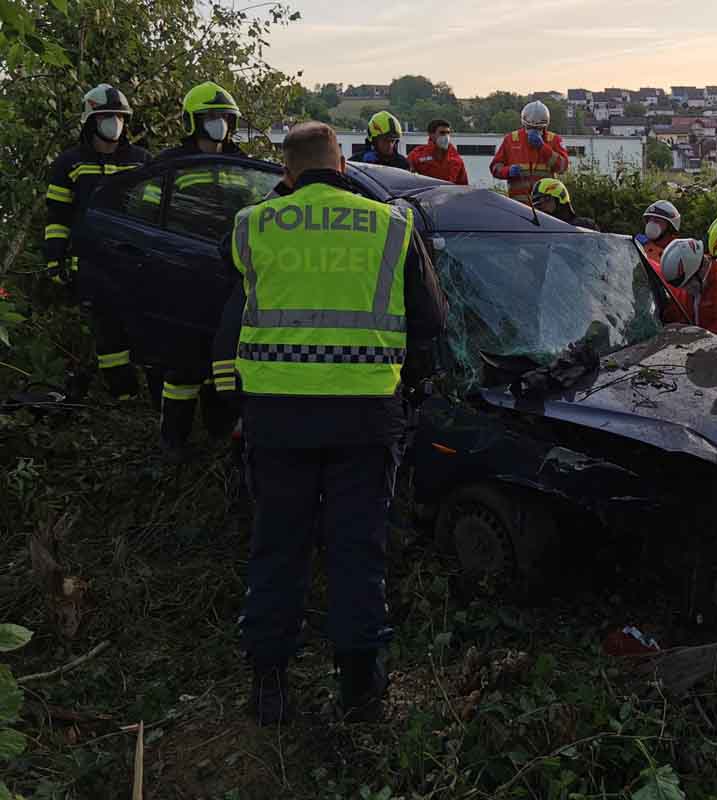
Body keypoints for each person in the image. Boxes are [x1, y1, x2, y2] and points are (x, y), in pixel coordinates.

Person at [213, 121, 447, 726]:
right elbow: (431, 322)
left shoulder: (253, 224)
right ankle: (361, 691)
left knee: (276, 547)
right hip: (365, 418)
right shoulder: (391, 225)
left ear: (286, 174)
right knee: (357, 550)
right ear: (343, 166)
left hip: (276, 418)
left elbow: (230, 274)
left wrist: (284, 200)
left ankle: (269, 687)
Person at [151, 81, 254, 461]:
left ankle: (219, 436)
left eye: (224, 118)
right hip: (183, 269)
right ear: (193, 121)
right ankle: (173, 441)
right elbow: (150, 211)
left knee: (223, 361)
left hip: (228, 271)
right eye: (212, 118)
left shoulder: (241, 161)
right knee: (182, 365)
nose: (219, 125)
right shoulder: (170, 163)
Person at [44, 84, 150, 400]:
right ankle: (123, 395)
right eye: (107, 116)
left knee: (145, 325)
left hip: (136, 262)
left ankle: (152, 392)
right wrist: (54, 259)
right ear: (91, 120)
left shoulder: (142, 161)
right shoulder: (69, 164)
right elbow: (58, 217)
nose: (115, 123)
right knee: (108, 334)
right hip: (92, 264)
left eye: (119, 117)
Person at [489, 101, 569, 201]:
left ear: (545, 126)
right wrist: (508, 171)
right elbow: (495, 167)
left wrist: (543, 148)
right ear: (524, 124)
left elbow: (563, 167)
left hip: (545, 205)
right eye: (529, 127)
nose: (533, 131)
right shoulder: (511, 140)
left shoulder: (554, 140)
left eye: (538, 128)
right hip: (518, 205)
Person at [658, 238, 717, 336]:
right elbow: (682, 311)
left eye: (687, 284)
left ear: (698, 271)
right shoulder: (697, 283)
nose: (686, 289)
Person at [406, 119, 468, 185]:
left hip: (449, 194)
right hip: (425, 194)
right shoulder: (416, 155)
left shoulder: (456, 159)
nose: (446, 136)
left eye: (448, 133)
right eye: (442, 133)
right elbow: (406, 179)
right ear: (431, 134)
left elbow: (463, 185)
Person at [530, 178, 595, 230]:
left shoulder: (584, 226)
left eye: (546, 200)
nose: (542, 206)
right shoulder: (538, 229)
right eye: (538, 204)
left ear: (560, 198)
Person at [635, 200, 682, 264]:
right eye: (650, 220)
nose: (651, 224)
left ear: (670, 227)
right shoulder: (639, 244)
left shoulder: (678, 254)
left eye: (657, 221)